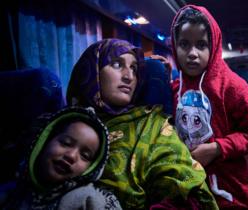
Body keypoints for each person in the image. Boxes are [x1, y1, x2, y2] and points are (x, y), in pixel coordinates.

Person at [66, 38, 218, 209]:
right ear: (92, 70)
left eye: (134, 68)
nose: (129, 76)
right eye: (117, 64)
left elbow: (189, 194)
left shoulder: (153, 127)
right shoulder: (62, 123)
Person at [170, 5, 248, 209]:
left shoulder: (233, 85)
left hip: (229, 191)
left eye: (201, 44)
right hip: (188, 190)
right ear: (174, 46)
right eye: (184, 44)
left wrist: (217, 148)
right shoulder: (174, 88)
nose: (192, 53)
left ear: (213, 45)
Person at [0, 107, 122, 209]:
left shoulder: (90, 200)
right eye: (66, 143)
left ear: (93, 168)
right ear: (43, 142)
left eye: (85, 156)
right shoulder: (12, 194)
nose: (71, 156)